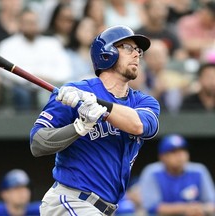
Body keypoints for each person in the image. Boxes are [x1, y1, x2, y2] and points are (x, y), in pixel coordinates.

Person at [30, 25, 160, 215]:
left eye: (138, 51)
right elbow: (38, 143)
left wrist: (99, 107)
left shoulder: (143, 101)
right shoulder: (75, 91)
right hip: (71, 200)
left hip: (106, 209)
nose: (137, 55)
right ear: (107, 53)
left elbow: (138, 124)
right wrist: (79, 127)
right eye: (128, 48)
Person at [0, 8, 71, 113]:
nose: (31, 26)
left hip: (49, 85)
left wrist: (46, 78)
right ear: (20, 24)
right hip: (19, 86)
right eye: (27, 23)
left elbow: (66, 70)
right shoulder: (7, 45)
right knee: (21, 93)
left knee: (53, 94)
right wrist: (34, 78)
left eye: (34, 22)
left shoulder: (52, 44)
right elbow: (3, 70)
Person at [138, 134, 215, 215]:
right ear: (162, 157)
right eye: (173, 152)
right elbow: (151, 207)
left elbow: (212, 204)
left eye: (183, 151)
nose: (180, 155)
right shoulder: (152, 172)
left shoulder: (198, 171)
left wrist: (200, 209)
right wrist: (186, 208)